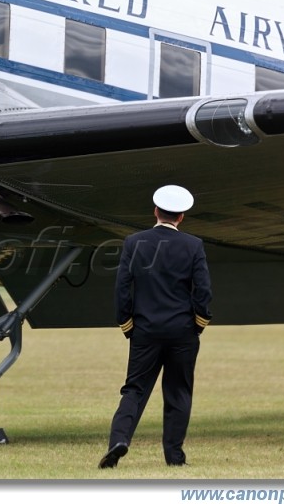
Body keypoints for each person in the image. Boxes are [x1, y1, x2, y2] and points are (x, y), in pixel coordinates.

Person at [98, 184, 212, 469]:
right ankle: (174, 458)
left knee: (134, 390)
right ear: (181, 216)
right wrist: (199, 324)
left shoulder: (134, 242)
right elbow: (203, 291)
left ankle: (119, 441)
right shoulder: (193, 245)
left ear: (155, 211)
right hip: (183, 331)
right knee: (178, 392)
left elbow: (123, 288)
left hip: (145, 331)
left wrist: (127, 325)